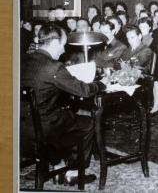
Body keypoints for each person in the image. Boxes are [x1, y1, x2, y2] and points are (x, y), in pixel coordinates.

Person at [20, 23, 108, 184]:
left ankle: (46, 165)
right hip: (42, 130)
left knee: (60, 113)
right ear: (54, 43)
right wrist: (102, 84)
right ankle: (73, 172)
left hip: (18, 128)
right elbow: (84, 91)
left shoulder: (21, 60)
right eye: (63, 45)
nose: (63, 50)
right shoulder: (53, 67)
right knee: (87, 122)